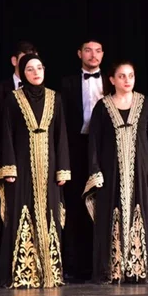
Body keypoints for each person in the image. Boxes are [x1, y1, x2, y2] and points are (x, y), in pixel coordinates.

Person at [84, 61, 148, 283]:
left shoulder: (146, 104)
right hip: (111, 173)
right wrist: (95, 170)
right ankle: (114, 268)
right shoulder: (102, 107)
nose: (127, 80)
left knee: (142, 212)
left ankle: (139, 269)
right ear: (112, 80)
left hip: (142, 171)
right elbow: (94, 143)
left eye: (130, 75)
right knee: (112, 213)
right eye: (121, 76)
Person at [0, 54, 70, 288]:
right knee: (22, 211)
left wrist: (62, 170)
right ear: (22, 73)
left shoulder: (55, 98)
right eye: (30, 69)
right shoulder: (12, 99)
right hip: (21, 165)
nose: (36, 72)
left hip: (48, 166)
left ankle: (50, 271)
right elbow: (5, 133)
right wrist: (9, 167)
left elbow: (61, 135)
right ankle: (24, 273)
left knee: (49, 212)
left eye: (39, 67)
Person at [0, 40, 37, 284]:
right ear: (15, 61)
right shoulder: (0, 89)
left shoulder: (44, 92)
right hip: (6, 160)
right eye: (25, 59)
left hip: (34, 160)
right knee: (2, 215)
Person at [59, 38, 105, 281]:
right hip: (76, 146)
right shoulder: (66, 83)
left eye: (98, 51)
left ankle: (101, 263)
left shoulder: (111, 81)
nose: (93, 55)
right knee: (76, 205)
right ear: (79, 54)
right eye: (88, 50)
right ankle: (75, 266)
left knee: (101, 204)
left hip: (104, 148)